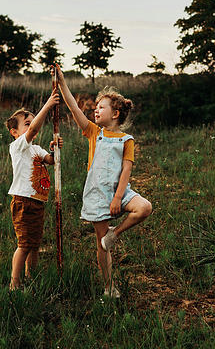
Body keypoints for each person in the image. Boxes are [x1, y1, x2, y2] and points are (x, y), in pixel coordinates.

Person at [53, 65, 152, 298]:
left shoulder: (127, 140)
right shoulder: (93, 132)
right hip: (98, 193)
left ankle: (114, 233)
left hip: (120, 191)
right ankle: (109, 287)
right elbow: (74, 108)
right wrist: (62, 83)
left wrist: (118, 197)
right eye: (95, 107)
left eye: (101, 107)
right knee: (101, 245)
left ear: (115, 114)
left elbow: (127, 169)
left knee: (144, 208)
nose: (95, 110)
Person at [4, 90, 61, 290]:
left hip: (37, 202)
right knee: (24, 244)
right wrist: (47, 106)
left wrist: (55, 149)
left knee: (35, 244)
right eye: (27, 123)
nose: (32, 125)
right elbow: (34, 131)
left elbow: (52, 161)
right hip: (23, 201)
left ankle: (32, 276)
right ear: (15, 132)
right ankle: (15, 282)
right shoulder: (18, 147)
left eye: (32, 122)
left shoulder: (36, 149)